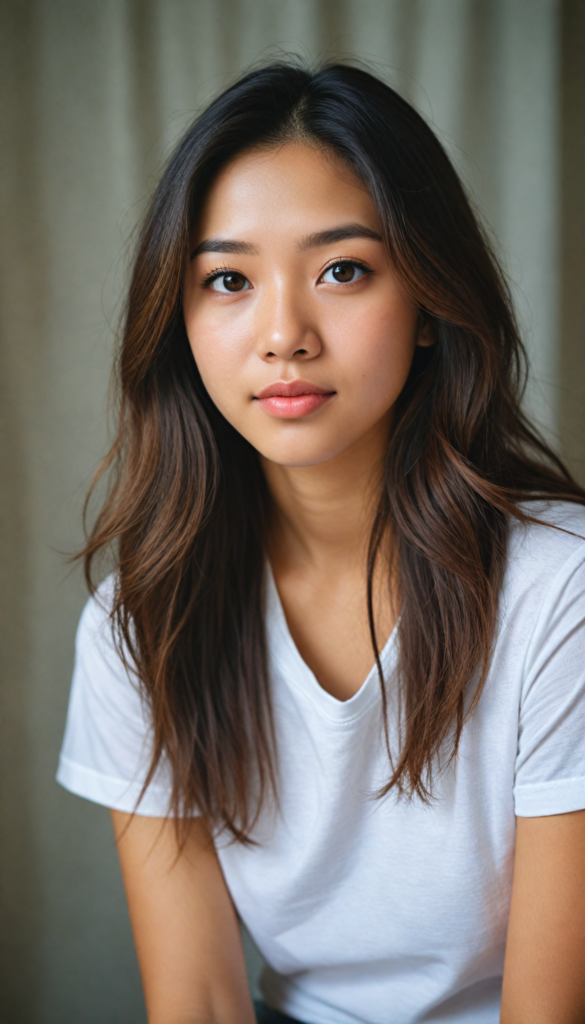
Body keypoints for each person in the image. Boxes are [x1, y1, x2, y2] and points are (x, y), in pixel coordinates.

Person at [57, 61, 585, 1024]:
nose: (283, 334)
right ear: (178, 324)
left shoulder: (561, 591)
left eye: (343, 270)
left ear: (427, 300)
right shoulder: (140, 627)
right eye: (227, 280)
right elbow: (204, 1001)